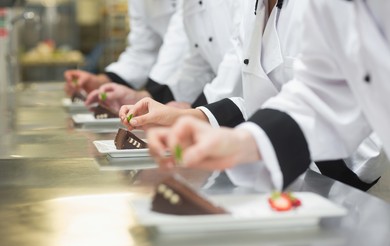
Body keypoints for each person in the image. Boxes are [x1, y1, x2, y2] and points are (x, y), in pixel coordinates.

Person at [122, 0, 385, 191]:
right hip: (304, 172)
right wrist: (209, 124)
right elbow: (318, 94)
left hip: (343, 173)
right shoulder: (252, 8)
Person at [94, 0, 243, 111]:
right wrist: (148, 98)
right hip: (224, 100)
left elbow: (239, 61)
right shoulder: (189, 5)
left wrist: (198, 112)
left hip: (250, 106)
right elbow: (197, 63)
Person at [64, 0, 189, 104]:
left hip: (197, 90)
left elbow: (181, 46)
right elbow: (142, 52)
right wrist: (102, 81)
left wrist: (149, 96)